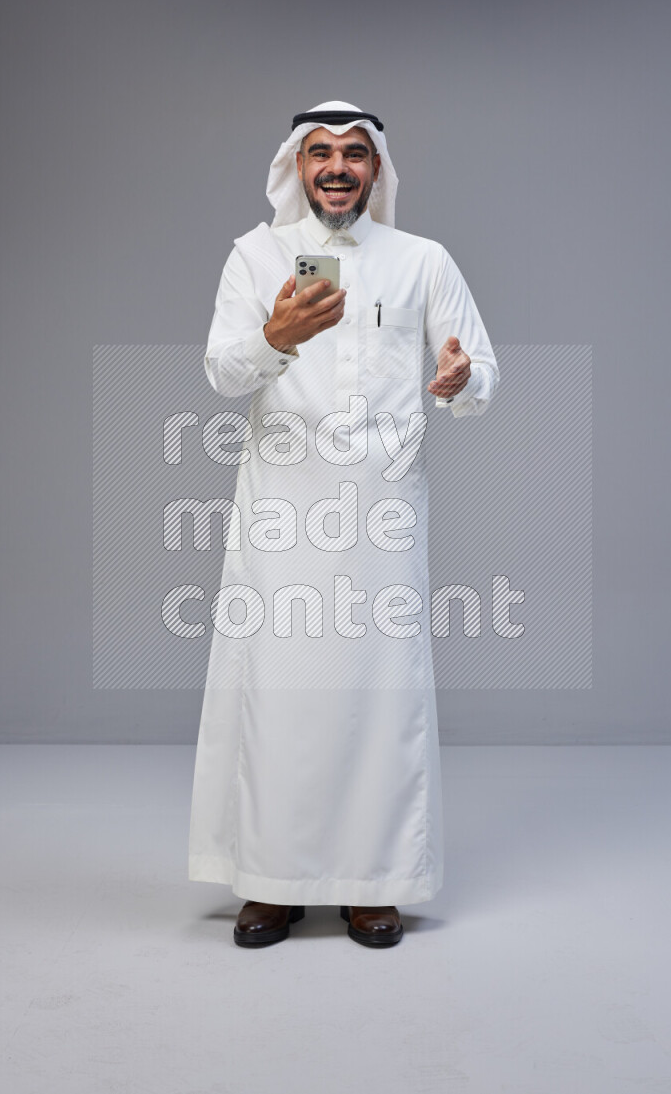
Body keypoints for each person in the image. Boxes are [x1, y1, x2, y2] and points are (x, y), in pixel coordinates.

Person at [188, 100, 499, 948]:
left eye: (354, 153)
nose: (336, 167)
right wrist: (274, 337)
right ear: (296, 164)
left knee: (380, 694)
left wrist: (460, 379)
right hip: (284, 511)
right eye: (319, 151)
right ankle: (271, 882)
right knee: (279, 693)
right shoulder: (254, 255)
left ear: (376, 169)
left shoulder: (421, 260)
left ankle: (373, 882)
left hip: (382, 514)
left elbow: (481, 370)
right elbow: (222, 372)